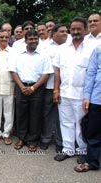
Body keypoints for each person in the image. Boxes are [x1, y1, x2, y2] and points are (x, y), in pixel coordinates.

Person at [53, 17, 93, 163]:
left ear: (85, 30)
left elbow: (93, 73)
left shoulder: (92, 48)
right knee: (66, 122)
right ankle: (68, 149)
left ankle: (82, 150)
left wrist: (89, 95)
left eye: (79, 29)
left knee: (81, 124)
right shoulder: (62, 48)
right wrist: (56, 90)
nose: (75, 31)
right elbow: (57, 71)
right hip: (64, 93)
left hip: (82, 94)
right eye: (73, 29)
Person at [10, 29, 53, 152]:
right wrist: (21, 86)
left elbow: (46, 73)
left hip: (37, 88)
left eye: (35, 39)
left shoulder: (44, 55)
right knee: (21, 114)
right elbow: (13, 71)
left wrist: (33, 87)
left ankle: (33, 140)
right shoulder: (18, 54)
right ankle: (22, 139)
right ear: (26, 40)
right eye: (31, 39)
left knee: (35, 115)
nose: (33, 41)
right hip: (21, 86)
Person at [39, 24, 68, 152]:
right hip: (49, 86)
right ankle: (45, 139)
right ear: (54, 33)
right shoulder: (45, 47)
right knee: (47, 114)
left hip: (66, 88)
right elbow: (43, 67)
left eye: (66, 31)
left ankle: (60, 142)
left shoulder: (69, 47)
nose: (65, 34)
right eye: (62, 32)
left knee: (62, 116)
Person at [74, 45, 101, 172]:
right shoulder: (98, 49)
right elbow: (91, 73)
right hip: (97, 97)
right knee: (93, 132)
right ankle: (92, 162)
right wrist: (87, 96)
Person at [0, 29, 15, 145]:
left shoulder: (13, 52)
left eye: (6, 37)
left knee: (8, 111)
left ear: (9, 38)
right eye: (1, 37)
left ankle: (6, 133)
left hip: (9, 84)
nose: (4, 39)